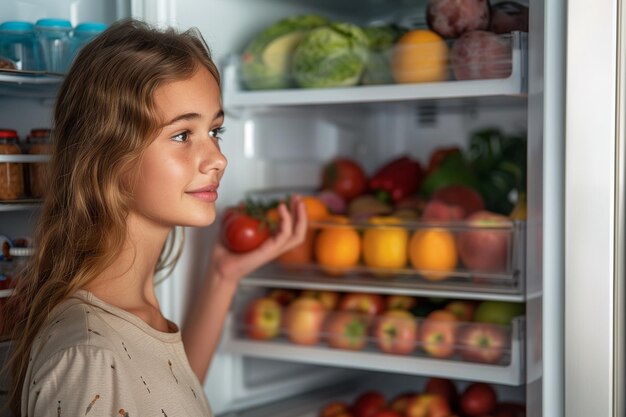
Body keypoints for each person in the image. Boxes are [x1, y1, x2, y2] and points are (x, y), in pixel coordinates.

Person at [0, 18, 307, 417]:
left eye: (215, 131)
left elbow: (159, 397)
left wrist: (223, 276)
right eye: (182, 135)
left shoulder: (124, 319)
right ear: (108, 156)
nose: (218, 159)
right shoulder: (88, 356)